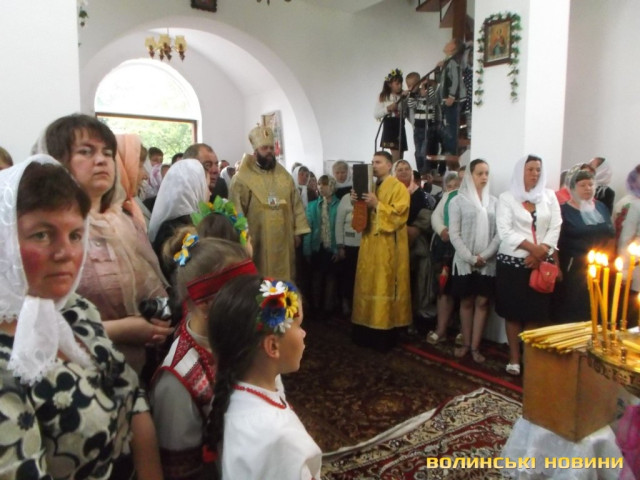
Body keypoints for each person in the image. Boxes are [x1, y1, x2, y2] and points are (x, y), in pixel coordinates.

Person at [0, 156, 162, 479]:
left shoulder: (74, 309)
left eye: (75, 235)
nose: (65, 253)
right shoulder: (6, 360)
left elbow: (131, 393)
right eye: (42, 235)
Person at [43, 113, 171, 377]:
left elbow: (154, 289)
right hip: (75, 375)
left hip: (138, 371)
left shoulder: (125, 222)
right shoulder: (46, 233)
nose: (101, 160)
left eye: (107, 152)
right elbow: (33, 325)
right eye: (86, 151)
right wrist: (121, 330)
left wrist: (159, 319)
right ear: (58, 163)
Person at [152, 235, 256, 480]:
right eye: (245, 296)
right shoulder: (176, 384)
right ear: (207, 305)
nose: (257, 305)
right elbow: (182, 472)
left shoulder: (237, 336)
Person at [206, 275, 322, 480]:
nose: (304, 334)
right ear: (272, 346)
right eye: (298, 325)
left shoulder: (231, 391)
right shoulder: (278, 434)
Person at [496, 155, 562, 375]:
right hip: (513, 264)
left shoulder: (549, 196)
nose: (535, 174)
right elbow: (505, 231)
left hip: (540, 263)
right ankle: (514, 359)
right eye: (530, 169)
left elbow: (556, 225)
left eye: (538, 170)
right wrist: (534, 249)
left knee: (535, 313)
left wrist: (542, 250)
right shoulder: (507, 198)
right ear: (520, 172)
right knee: (513, 313)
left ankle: (530, 358)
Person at [229, 125, 310, 281]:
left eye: (271, 148)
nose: (269, 151)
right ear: (255, 152)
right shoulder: (241, 179)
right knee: (260, 281)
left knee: (285, 281)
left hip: (285, 239)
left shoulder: (284, 176)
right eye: (264, 148)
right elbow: (236, 211)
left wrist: (298, 232)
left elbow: (296, 205)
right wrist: (243, 240)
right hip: (257, 241)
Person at [351, 151, 411, 351]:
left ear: (389, 165)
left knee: (383, 285)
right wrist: (356, 202)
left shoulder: (398, 187)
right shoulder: (370, 186)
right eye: (372, 162)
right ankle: (364, 329)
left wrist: (377, 204)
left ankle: (383, 334)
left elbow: (399, 215)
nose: (374, 165)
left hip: (388, 247)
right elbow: (361, 217)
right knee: (367, 282)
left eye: (378, 162)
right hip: (369, 244)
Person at [448, 159, 499, 362]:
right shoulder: (458, 201)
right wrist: (469, 257)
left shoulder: (494, 203)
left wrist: (484, 256)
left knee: (483, 302)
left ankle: (476, 347)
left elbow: (499, 234)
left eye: (486, 173)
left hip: (487, 261)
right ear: (470, 176)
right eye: (480, 173)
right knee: (467, 301)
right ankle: (466, 344)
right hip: (464, 261)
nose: (484, 177)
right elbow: (454, 234)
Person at [553, 170, 614, 323]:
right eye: (582, 185)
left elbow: (610, 233)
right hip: (574, 268)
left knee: (597, 309)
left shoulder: (601, 207)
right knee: (575, 309)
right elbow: (554, 242)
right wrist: (556, 266)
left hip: (601, 267)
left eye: (591, 185)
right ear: (572, 188)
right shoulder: (563, 210)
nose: (588, 188)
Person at [148, 158, 210, 272]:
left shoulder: (170, 225)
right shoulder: (175, 231)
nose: (209, 193)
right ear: (194, 190)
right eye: (206, 187)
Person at [395, 160, 434, 322]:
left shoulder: (420, 194)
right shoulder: (391, 191)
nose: (403, 172)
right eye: (400, 169)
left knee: (415, 281)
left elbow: (427, 216)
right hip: (394, 242)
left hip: (416, 244)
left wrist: (415, 229)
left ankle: (412, 317)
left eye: (407, 169)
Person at [427, 172, 460, 344]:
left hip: (462, 249)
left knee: (461, 292)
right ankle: (441, 329)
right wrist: (442, 230)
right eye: (451, 186)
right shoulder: (446, 197)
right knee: (443, 288)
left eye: (458, 184)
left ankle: (461, 331)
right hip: (444, 247)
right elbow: (435, 217)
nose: (454, 189)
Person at [303, 175, 340, 314]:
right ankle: (316, 307)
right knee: (316, 278)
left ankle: (328, 308)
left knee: (331, 278)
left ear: (332, 186)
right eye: (319, 184)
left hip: (333, 247)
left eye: (325, 184)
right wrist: (307, 250)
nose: (321, 187)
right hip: (317, 247)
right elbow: (308, 229)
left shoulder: (339, 204)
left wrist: (338, 249)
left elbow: (340, 228)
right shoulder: (312, 206)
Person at [335, 183, 362, 317]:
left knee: (361, 277)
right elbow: (339, 223)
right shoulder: (346, 198)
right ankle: (346, 303)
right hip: (348, 244)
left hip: (364, 245)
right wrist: (340, 246)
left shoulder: (368, 197)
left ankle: (359, 305)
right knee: (348, 276)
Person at [436, 38, 466, 155]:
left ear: (453, 48)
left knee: (451, 126)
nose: (446, 43)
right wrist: (439, 69)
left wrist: (452, 96)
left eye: (449, 42)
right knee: (447, 125)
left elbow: (456, 80)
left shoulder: (453, 62)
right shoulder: (447, 62)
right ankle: (448, 149)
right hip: (447, 99)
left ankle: (451, 152)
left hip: (454, 100)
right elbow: (442, 81)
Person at [116, 133, 151, 230]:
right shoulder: (110, 222)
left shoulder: (131, 204)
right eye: (140, 166)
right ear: (121, 168)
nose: (146, 176)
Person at [374, 68, 408, 162]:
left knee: (400, 155)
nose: (400, 86)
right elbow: (376, 114)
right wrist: (388, 108)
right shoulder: (384, 96)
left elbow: (407, 112)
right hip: (390, 125)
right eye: (397, 83)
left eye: (401, 83)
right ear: (390, 84)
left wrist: (405, 99)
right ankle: (393, 170)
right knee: (396, 155)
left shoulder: (404, 95)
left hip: (400, 125)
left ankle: (396, 169)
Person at [405, 71, 429, 174]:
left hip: (426, 127)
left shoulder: (424, 93)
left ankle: (426, 171)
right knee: (418, 152)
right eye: (408, 86)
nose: (410, 88)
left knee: (424, 151)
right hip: (416, 128)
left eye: (412, 85)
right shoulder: (409, 97)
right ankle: (420, 172)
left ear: (418, 83)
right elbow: (408, 111)